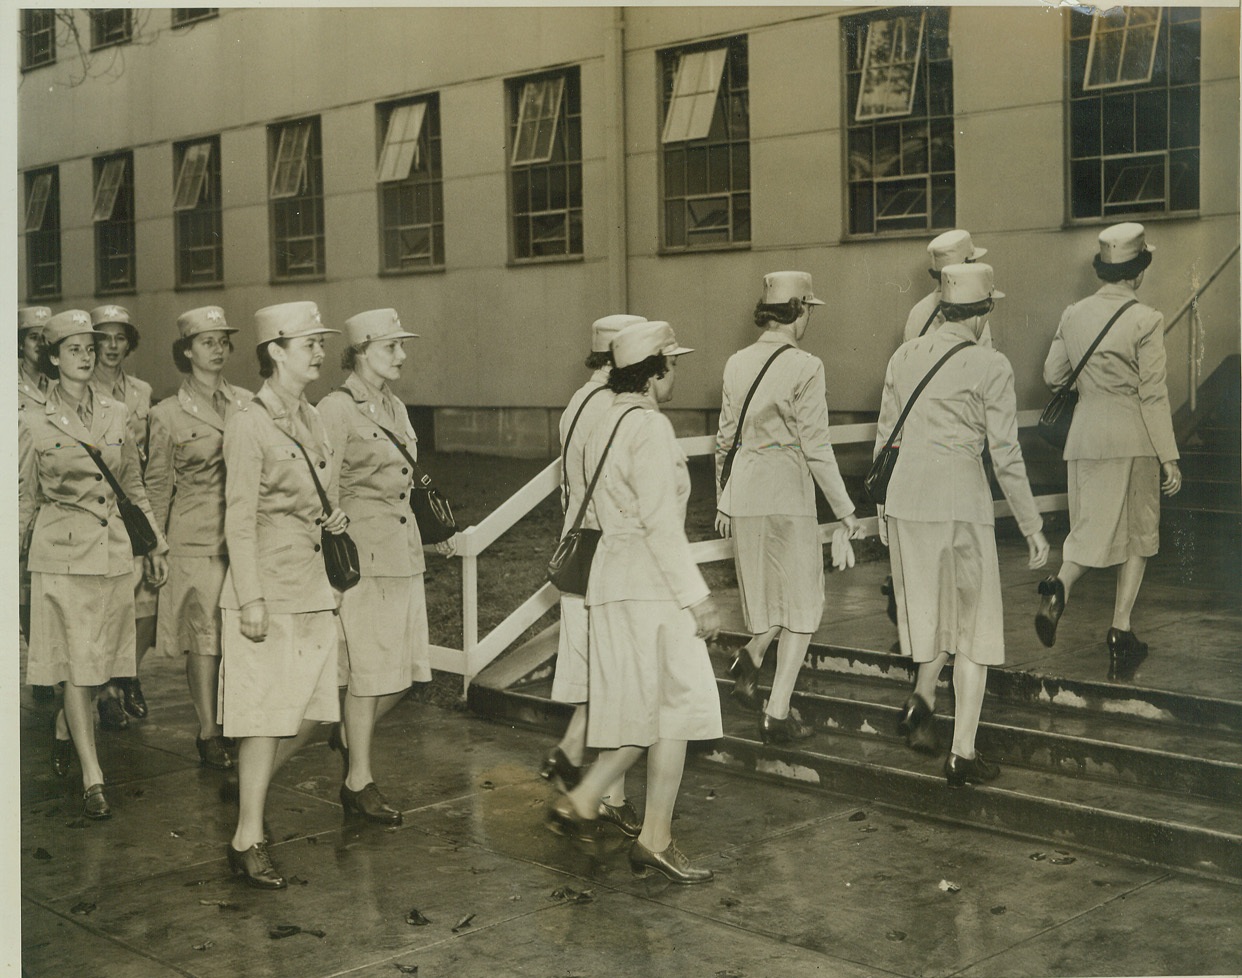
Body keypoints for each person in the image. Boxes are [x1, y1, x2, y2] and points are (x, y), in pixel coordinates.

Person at [549, 320, 723, 885]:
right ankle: (640, 830)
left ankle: (612, 812)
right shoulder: (648, 427)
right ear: (655, 371)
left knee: (650, 709)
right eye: (673, 363)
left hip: (611, 578)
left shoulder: (602, 419)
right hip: (651, 584)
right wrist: (697, 598)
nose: (677, 373)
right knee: (674, 707)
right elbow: (661, 525)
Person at [876, 264, 1049, 785]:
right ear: (985, 311)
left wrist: (883, 512)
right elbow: (1006, 455)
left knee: (932, 617)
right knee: (974, 628)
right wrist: (1031, 525)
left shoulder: (904, 356)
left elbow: (887, 439)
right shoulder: (990, 365)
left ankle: (924, 694)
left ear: (942, 307)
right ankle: (963, 754)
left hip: (907, 500)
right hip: (958, 503)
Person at [218, 301, 349, 889]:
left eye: (322, 342)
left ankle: (250, 788)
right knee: (266, 717)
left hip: (312, 583)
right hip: (268, 589)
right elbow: (239, 517)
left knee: (314, 715)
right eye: (308, 343)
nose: (320, 351)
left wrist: (332, 516)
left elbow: (315, 492)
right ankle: (248, 836)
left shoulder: (314, 417)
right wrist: (250, 599)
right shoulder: (250, 420)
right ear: (275, 350)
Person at [19, 310, 169, 819]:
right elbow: (24, 496)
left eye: (91, 348)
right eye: (75, 349)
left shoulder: (117, 412)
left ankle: (66, 726)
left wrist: (156, 544)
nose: (85, 356)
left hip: (112, 555)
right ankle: (93, 776)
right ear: (53, 356)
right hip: (61, 557)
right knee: (80, 663)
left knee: (96, 662)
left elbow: (132, 485)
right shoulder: (30, 419)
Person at [715, 271, 865, 745]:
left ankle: (753, 655)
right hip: (786, 494)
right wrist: (845, 509)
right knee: (804, 603)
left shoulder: (736, 362)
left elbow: (725, 440)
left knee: (767, 596)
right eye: (809, 312)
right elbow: (817, 446)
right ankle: (777, 711)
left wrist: (723, 498)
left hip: (744, 495)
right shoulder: (807, 366)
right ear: (798, 310)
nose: (809, 321)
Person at [317, 308, 451, 825]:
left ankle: (352, 734)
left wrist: (434, 533)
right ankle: (359, 781)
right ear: (361, 352)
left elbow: (405, 479)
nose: (402, 355)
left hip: (404, 553)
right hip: (364, 559)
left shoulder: (394, 406)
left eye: (401, 346)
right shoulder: (335, 408)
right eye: (391, 347)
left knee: (405, 672)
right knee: (371, 674)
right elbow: (321, 488)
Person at [1035, 223, 1181, 681]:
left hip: (1083, 438)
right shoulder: (1146, 319)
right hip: (1131, 438)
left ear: (1102, 270)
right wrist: (1169, 455)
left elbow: (1054, 374)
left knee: (1088, 529)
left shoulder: (1073, 314)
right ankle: (1120, 629)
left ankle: (1060, 584)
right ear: (1137, 273)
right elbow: (1153, 394)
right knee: (1139, 532)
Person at [541, 313, 646, 838]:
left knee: (598, 675)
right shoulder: (615, 407)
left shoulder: (577, 402)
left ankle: (574, 753)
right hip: (606, 553)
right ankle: (609, 793)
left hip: (575, 548)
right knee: (616, 678)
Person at [144, 306, 251, 771]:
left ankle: (236, 720)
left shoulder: (247, 402)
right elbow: (156, 486)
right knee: (205, 638)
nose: (218, 349)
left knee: (241, 636)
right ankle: (209, 731)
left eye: (223, 340)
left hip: (244, 538)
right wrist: (155, 545)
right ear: (186, 351)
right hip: (196, 541)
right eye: (207, 341)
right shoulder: (166, 415)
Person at [89, 304, 155, 730]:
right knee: (106, 604)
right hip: (99, 506)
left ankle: (125, 671)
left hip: (135, 500)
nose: (112, 347)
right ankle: (109, 692)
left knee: (145, 603)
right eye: (104, 338)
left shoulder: (143, 392)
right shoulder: (78, 387)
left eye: (119, 338)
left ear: (129, 343)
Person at [19, 306, 56, 703]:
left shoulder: (54, 384)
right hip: (16, 495)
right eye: (33, 337)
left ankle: (44, 673)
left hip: (47, 494)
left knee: (39, 590)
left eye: (46, 338)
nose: (41, 345)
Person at [903, 229, 992, 347]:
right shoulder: (973, 311)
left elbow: (906, 359)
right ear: (966, 268)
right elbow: (984, 359)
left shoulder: (917, 312)